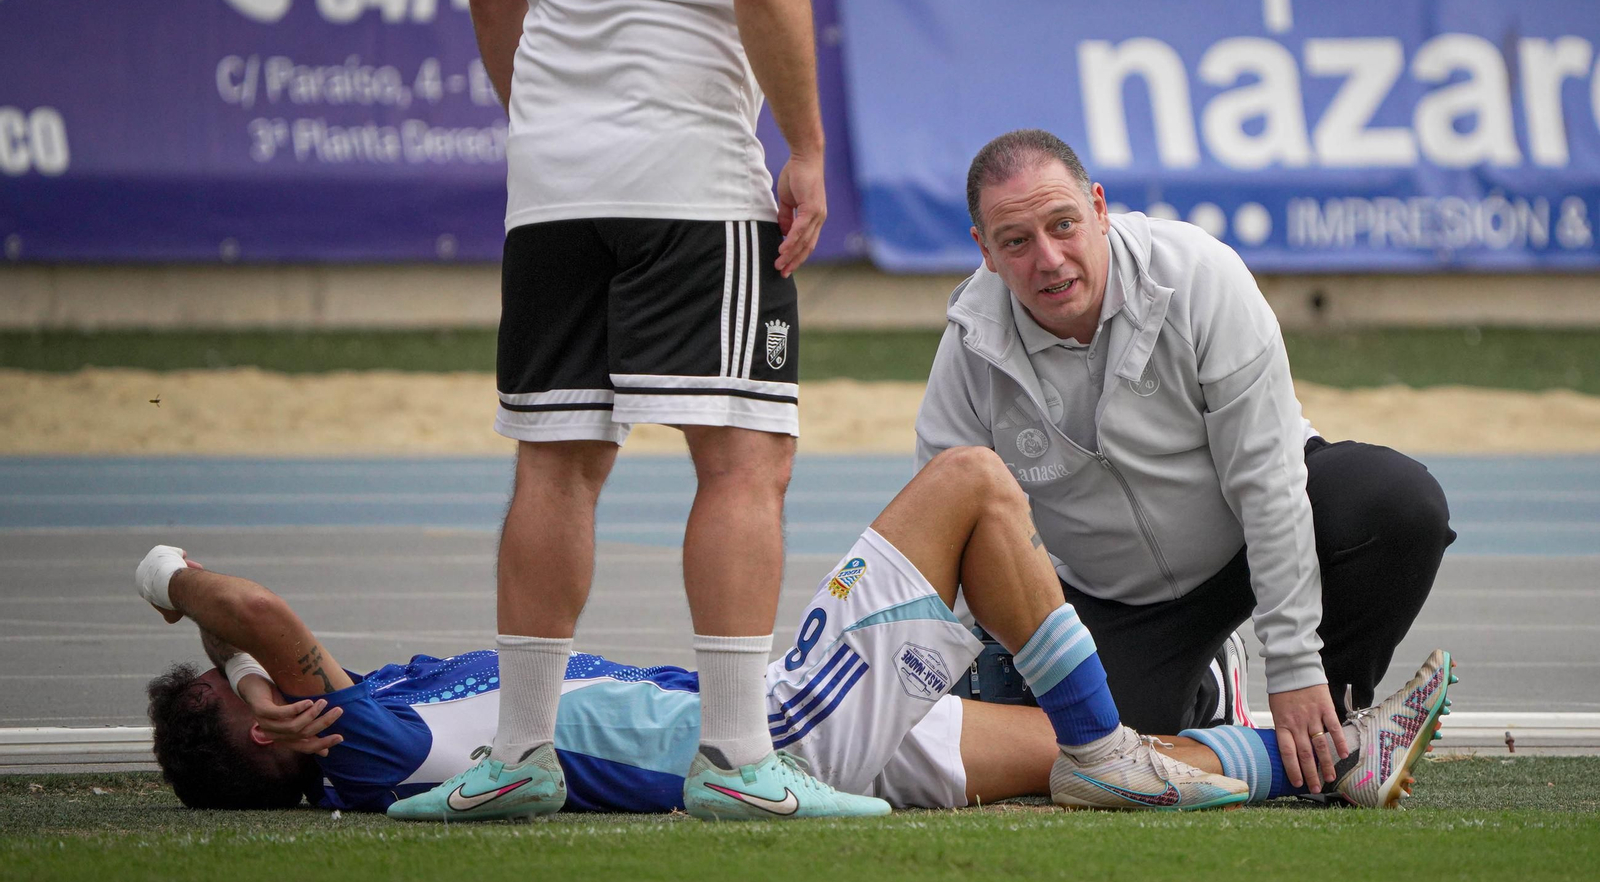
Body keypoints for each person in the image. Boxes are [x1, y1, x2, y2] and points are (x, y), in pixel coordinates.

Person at [137, 449, 1454, 816]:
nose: (257, 678)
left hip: (825, 750)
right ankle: (1124, 730)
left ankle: (1315, 766)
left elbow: (243, 651)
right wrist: (167, 580)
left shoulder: (369, 734)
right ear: (264, 731)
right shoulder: (358, 744)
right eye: (245, 700)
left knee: (1078, 756)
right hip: (779, 726)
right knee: (971, 483)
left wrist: (229, 673)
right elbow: (246, 611)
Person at [915, 129, 1458, 798]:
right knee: (1098, 757)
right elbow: (947, 529)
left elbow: (1267, 479)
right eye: (1016, 241)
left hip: (1241, 532)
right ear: (985, 252)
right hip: (1112, 598)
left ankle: (1337, 722)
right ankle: (1253, 713)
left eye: (1063, 225)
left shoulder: (1200, 275)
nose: (1049, 259)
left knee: (1398, 505)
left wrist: (1294, 664)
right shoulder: (970, 347)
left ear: (1099, 207)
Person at [446, 0, 835, 819]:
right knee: (743, 457)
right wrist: (805, 145)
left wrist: (555, 125)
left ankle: (518, 753)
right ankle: (736, 755)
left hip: (553, 186)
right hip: (689, 173)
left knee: (554, 463)